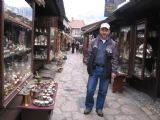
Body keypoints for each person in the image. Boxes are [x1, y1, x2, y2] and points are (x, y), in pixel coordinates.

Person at [84, 22, 118, 117]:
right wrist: (88, 64)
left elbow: (115, 58)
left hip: (106, 70)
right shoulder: (93, 42)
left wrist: (114, 71)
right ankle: (89, 106)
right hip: (94, 69)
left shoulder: (113, 44)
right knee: (90, 89)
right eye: (102, 29)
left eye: (106, 30)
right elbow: (89, 54)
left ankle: (99, 108)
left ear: (109, 31)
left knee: (103, 91)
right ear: (100, 30)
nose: (104, 32)